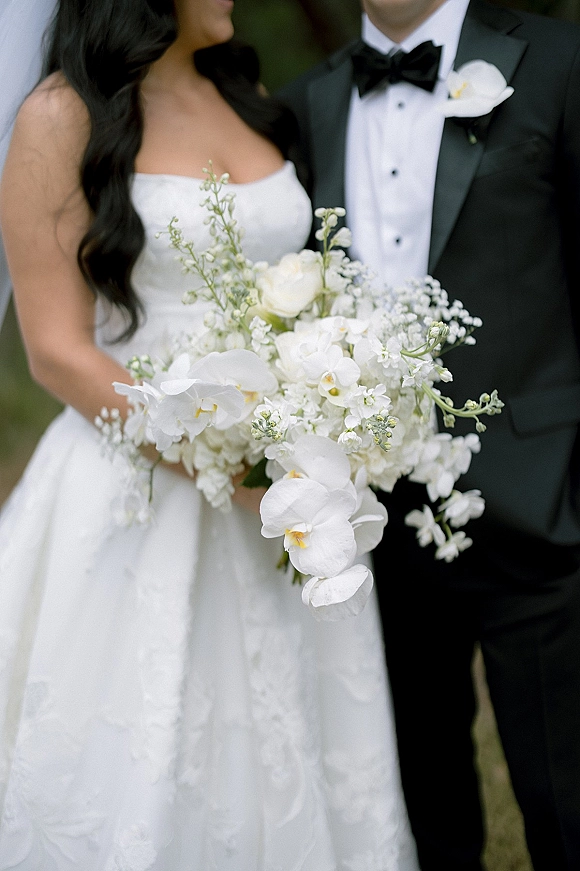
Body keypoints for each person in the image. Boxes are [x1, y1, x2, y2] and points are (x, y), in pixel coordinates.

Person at [0, 1, 421, 868]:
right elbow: (54, 349)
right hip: (138, 487)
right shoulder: (60, 116)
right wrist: (223, 451)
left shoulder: (245, 89)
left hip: (286, 495)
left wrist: (324, 404)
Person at [281, 0, 580, 869]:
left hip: (542, 502)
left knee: (568, 804)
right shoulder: (308, 105)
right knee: (422, 815)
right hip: (379, 522)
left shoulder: (557, 62)